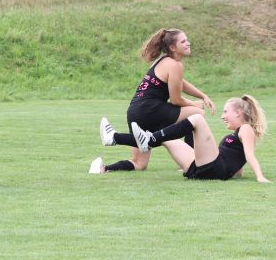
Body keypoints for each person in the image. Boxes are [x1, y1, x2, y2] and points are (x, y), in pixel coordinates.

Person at [91, 28, 214, 174]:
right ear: (173, 47)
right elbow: (175, 100)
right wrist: (195, 104)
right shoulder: (175, 65)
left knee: (139, 163)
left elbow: (179, 82)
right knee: (196, 114)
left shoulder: (163, 61)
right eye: (183, 41)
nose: (188, 43)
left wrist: (202, 96)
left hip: (135, 112)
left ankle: (104, 168)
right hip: (150, 110)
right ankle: (192, 162)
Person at [131, 95, 270, 183]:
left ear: (238, 113)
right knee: (168, 139)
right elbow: (238, 162)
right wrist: (237, 173)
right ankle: (133, 140)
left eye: (225, 112)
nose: (222, 116)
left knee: (197, 118)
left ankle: (149, 140)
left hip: (215, 168)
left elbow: (249, 155)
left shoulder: (246, 128)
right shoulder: (240, 133)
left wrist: (260, 176)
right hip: (202, 170)